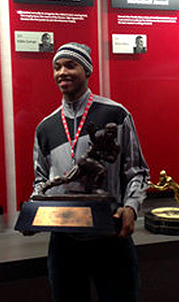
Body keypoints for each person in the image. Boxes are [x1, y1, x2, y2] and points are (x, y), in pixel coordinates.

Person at [30, 42, 150, 302]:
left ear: (87, 70)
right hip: (64, 242)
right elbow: (40, 179)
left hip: (111, 234)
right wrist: (33, 214)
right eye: (57, 67)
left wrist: (130, 207)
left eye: (70, 65)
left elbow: (137, 171)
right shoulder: (46, 127)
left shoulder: (116, 114)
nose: (62, 72)